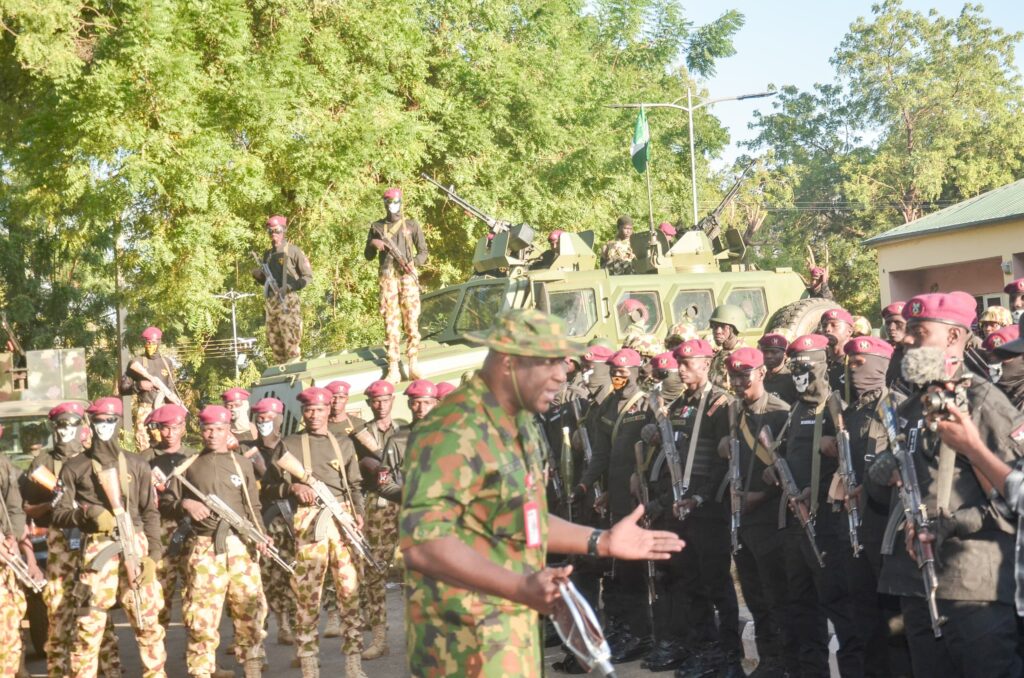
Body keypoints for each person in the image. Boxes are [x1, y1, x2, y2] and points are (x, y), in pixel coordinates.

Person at [399, 309, 684, 677]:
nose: (562, 374)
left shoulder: (519, 424)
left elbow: (522, 516)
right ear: (507, 362)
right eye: (547, 362)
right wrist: (518, 585)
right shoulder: (453, 428)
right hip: (461, 648)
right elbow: (423, 543)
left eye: (562, 363)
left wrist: (601, 540)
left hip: (510, 637)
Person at [881, 292, 1024, 677]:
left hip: (973, 587)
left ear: (954, 338)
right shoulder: (911, 408)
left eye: (918, 331)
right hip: (918, 586)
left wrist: (951, 523)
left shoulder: (984, 404)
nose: (906, 340)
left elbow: (1015, 499)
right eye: (907, 331)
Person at [51, 397, 167, 678]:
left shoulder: (137, 464)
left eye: (110, 421)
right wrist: (85, 517)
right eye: (100, 421)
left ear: (118, 422)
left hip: (135, 541)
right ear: (90, 423)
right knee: (89, 625)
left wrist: (154, 556)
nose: (105, 426)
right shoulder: (74, 467)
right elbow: (58, 514)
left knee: (147, 621)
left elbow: (150, 513)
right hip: (98, 548)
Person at [776, 335, 863, 677]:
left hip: (827, 522)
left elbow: (852, 464)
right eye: (793, 367)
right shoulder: (797, 409)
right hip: (796, 522)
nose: (798, 375)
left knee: (839, 605)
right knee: (801, 604)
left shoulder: (836, 405)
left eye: (805, 367)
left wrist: (818, 489)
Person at [269, 387, 366, 678]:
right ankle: (309, 663)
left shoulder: (343, 444)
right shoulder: (290, 444)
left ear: (329, 409)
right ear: (303, 412)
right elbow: (269, 487)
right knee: (308, 595)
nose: (315, 415)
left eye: (321, 409)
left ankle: (354, 662)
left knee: (349, 592)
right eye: (310, 410)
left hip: (343, 518)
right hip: (310, 522)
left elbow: (356, 485)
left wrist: (359, 513)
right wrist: (294, 487)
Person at [165, 405, 268, 678]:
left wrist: (261, 535)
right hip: (204, 547)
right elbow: (166, 503)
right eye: (208, 429)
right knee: (201, 617)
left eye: (219, 429)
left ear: (228, 431)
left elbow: (253, 506)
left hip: (240, 546)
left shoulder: (241, 463)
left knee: (249, 610)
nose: (212, 434)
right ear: (200, 430)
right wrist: (185, 503)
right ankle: (201, 671)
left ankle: (253, 668)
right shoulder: (187, 465)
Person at [20, 402, 122, 678]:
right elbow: (27, 510)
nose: (67, 430)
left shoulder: (94, 458)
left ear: (83, 428)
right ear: (54, 427)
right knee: (59, 611)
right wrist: (53, 505)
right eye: (61, 424)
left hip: (95, 542)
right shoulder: (42, 463)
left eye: (73, 424)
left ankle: (109, 670)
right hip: (60, 542)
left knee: (98, 608)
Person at [660, 339, 740, 678]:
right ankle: (703, 648)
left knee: (717, 583)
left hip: (709, 510)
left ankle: (728, 654)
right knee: (689, 580)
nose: (681, 369)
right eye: (679, 362)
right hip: (681, 507)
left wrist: (702, 498)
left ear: (706, 365)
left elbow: (724, 464)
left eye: (688, 364)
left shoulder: (722, 404)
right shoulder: (678, 405)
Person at [577, 347, 656, 662]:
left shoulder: (649, 404)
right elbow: (601, 454)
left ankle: (642, 632)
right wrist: (586, 483)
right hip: (617, 498)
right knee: (618, 567)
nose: (618, 377)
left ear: (636, 373)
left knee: (637, 568)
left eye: (624, 373)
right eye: (613, 373)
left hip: (640, 500)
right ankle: (625, 629)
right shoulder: (608, 406)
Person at [723, 348, 794, 677]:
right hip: (743, 519)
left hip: (769, 519)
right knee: (753, 593)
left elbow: (788, 469)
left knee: (776, 594)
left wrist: (760, 496)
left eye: (744, 375)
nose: (739, 383)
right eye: (734, 376)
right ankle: (768, 658)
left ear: (761, 373)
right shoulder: (734, 412)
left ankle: (782, 660)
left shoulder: (779, 412)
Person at [362, 379, 439, 661]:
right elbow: (383, 482)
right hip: (402, 512)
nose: (421, 408)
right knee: (378, 570)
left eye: (427, 402)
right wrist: (407, 495)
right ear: (408, 405)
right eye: (416, 402)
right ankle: (379, 638)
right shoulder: (398, 439)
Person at [365, 187, 429, 383]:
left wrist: (413, 263)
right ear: (384, 204)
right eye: (388, 202)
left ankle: (413, 363)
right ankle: (393, 366)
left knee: (411, 319)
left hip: (407, 276)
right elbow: (368, 256)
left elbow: (424, 253)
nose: (392, 206)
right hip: (388, 278)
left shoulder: (411, 225)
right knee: (391, 321)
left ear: (401, 202)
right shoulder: (377, 227)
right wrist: (374, 244)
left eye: (395, 202)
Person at [141, 404, 196, 629]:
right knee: (159, 594)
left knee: (197, 595)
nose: (170, 433)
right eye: (165, 428)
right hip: (161, 528)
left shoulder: (193, 456)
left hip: (192, 527)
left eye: (175, 427)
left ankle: (199, 660)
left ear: (183, 427)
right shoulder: (145, 459)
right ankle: (156, 656)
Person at [250, 397, 297, 647]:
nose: (264, 422)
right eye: (260, 418)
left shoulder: (290, 447)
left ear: (279, 418)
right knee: (265, 576)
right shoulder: (248, 449)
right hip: (264, 518)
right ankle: (264, 630)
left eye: (269, 418)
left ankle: (287, 624)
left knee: (290, 572)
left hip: (291, 518)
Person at [252, 214, 314, 364]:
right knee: (275, 343)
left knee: (291, 341)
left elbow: (307, 277)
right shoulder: (267, 255)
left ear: (284, 230)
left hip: (288, 301)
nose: (274, 234)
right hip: (272, 302)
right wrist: (258, 276)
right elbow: (267, 281)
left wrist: (290, 287)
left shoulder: (293, 251)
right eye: (271, 231)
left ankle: (295, 375)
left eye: (277, 230)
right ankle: (281, 375)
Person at [119, 325, 178, 452]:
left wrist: (174, 404)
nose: (150, 345)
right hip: (145, 409)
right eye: (147, 342)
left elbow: (171, 388)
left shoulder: (167, 363)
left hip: (163, 408)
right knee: (143, 446)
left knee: (166, 445)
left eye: (153, 342)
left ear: (159, 342)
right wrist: (139, 386)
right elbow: (123, 389)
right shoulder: (137, 363)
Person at [708, 304, 749, 390]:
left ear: (734, 329)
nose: (717, 331)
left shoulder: (745, 357)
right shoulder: (718, 355)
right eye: (714, 327)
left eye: (723, 327)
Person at [820, 307, 854, 401]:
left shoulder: (854, 363)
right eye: (824, 326)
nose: (827, 329)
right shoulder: (820, 363)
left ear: (849, 331)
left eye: (834, 325)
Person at [758, 333, 797, 405]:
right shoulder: (759, 379)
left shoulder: (792, 381)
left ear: (785, 355)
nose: (768, 356)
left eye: (774, 352)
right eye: (765, 352)